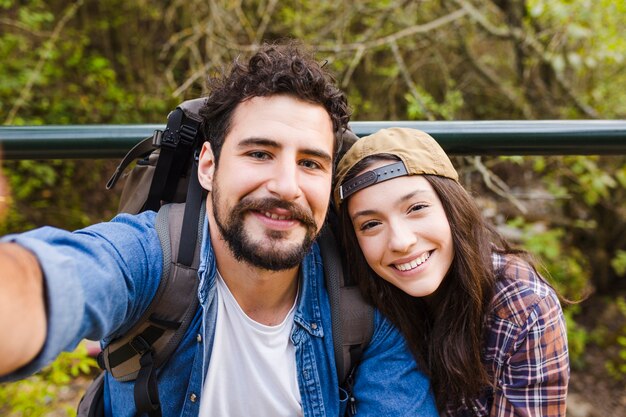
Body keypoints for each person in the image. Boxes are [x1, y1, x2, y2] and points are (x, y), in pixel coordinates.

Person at [0, 43, 438, 416]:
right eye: (260, 154)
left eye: (310, 163)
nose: (286, 186)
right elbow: (63, 276)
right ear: (208, 166)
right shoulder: (151, 259)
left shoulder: (364, 303)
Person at [334, 127, 569, 416]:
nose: (401, 241)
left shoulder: (522, 308)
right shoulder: (357, 298)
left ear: (452, 207)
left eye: (416, 208)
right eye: (371, 224)